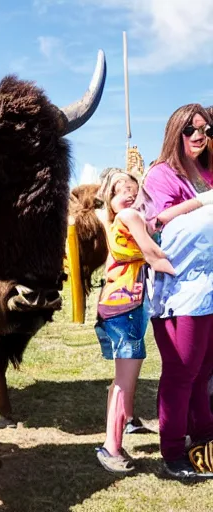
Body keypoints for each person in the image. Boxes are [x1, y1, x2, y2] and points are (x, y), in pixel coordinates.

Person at [140, 103, 213, 479]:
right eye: (191, 129)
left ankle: (203, 442)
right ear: (176, 133)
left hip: (210, 289)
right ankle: (172, 453)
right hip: (179, 292)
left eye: (205, 129)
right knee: (181, 371)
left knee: (204, 373)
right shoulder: (160, 175)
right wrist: (201, 204)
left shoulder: (210, 171)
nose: (200, 136)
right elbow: (156, 228)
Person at [92, 171, 170, 473]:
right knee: (126, 381)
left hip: (117, 304)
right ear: (109, 199)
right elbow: (153, 254)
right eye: (119, 189)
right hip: (126, 305)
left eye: (133, 188)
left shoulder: (116, 220)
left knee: (121, 380)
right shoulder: (127, 216)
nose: (127, 193)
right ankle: (111, 447)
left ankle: (120, 430)